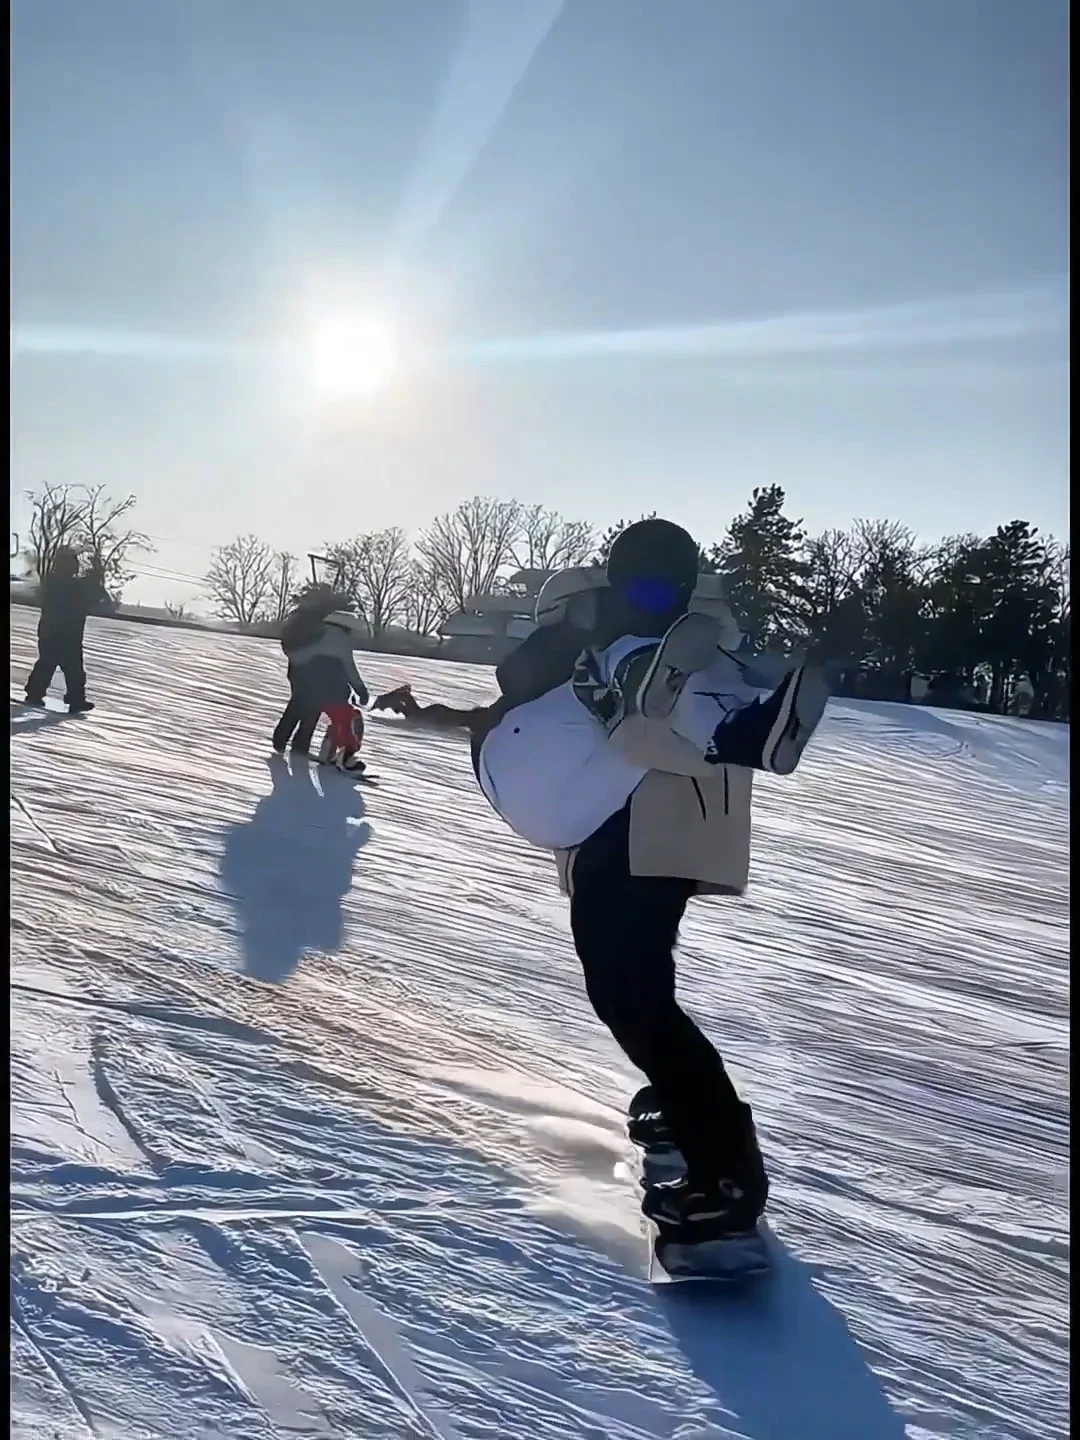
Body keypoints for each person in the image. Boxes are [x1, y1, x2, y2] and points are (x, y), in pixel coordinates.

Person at [375, 519, 830, 1240]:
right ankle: (684, 1110)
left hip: (629, 832)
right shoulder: (686, 643)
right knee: (641, 990)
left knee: (631, 995)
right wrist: (432, 714)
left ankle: (727, 1175)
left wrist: (572, 633)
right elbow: (507, 712)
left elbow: (516, 688)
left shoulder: (597, 634)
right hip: (683, 827)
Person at [284, 609, 371, 772]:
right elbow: (349, 668)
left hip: (312, 689)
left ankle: (326, 754)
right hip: (334, 693)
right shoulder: (340, 640)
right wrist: (360, 689)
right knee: (346, 723)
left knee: (333, 724)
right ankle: (345, 758)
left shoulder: (317, 637)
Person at [24, 546, 108, 712]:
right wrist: (93, 578)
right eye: (73, 563)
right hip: (57, 632)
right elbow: (83, 595)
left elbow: (94, 598)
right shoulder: (57, 582)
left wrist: (94, 578)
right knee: (51, 664)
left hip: (65, 633)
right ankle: (38, 694)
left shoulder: (63, 582)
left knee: (68, 667)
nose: (76, 567)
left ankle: (72, 698)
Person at [273, 586, 354, 755]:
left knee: (301, 703)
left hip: (298, 670)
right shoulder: (322, 624)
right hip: (312, 671)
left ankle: (285, 741)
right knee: (308, 706)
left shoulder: (306, 618)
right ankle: (294, 744)